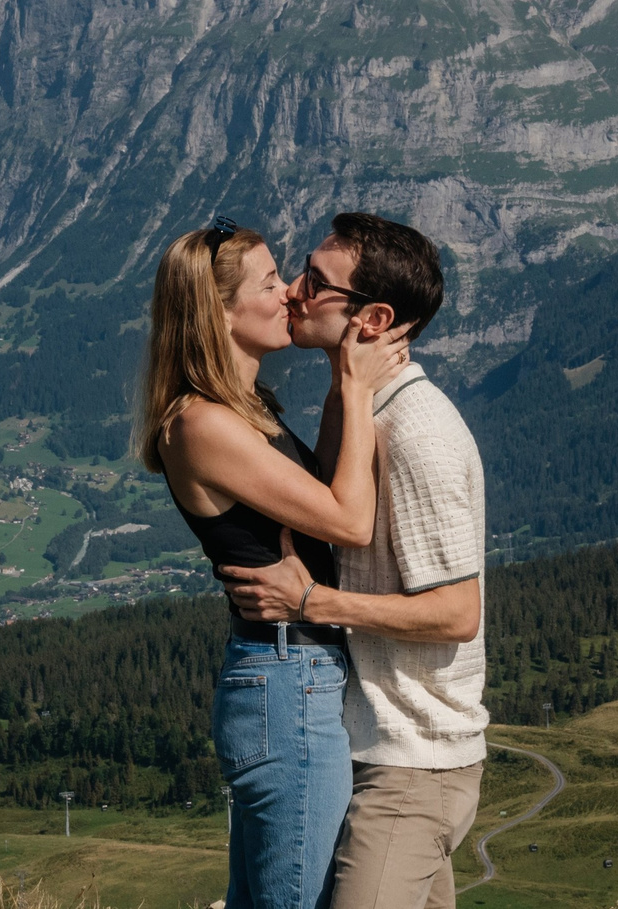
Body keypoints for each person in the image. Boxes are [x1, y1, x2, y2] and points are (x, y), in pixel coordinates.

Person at [135, 218, 413, 909]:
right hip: (289, 685)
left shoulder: (244, 409)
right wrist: (352, 384)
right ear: (217, 313)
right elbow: (348, 519)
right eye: (268, 282)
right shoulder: (204, 425)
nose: (289, 290)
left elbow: (323, 498)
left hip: (291, 677)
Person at [220, 212, 487, 909]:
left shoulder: (418, 430)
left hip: (412, 763)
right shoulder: (363, 406)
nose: (295, 292)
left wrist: (311, 603)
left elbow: (459, 612)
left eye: (315, 280)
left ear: (372, 317)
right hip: (381, 748)